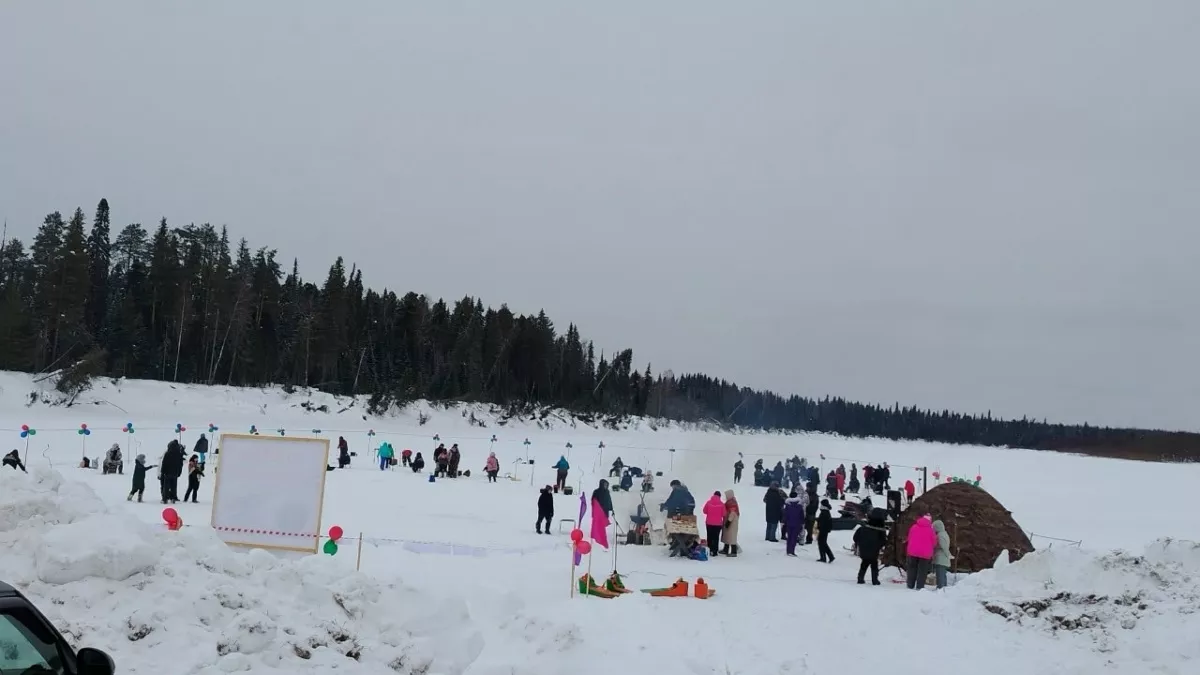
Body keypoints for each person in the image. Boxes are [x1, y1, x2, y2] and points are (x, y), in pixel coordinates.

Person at [852, 508, 888, 585]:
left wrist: (860, 543)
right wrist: (879, 546)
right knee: (874, 564)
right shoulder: (881, 529)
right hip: (874, 550)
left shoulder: (864, 527)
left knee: (864, 562)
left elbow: (855, 537)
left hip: (863, 549)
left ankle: (860, 578)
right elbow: (883, 541)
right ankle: (874, 580)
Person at [905, 514, 937, 589]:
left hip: (912, 551)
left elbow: (909, 537)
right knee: (922, 570)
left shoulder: (914, 527)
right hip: (925, 554)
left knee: (912, 568)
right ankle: (919, 587)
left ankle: (910, 585)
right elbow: (934, 542)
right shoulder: (931, 530)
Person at [702, 491, 726, 557]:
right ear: (719, 496)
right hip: (718, 524)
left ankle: (709, 549)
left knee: (709, 536)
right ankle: (715, 551)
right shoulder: (722, 504)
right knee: (716, 537)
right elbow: (724, 514)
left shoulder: (708, 502)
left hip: (709, 523)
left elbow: (704, 511)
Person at [783, 491, 805, 556]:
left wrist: (783, 522)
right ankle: (792, 551)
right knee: (794, 538)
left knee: (789, 537)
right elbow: (802, 515)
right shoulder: (799, 505)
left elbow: (785, 515)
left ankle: (788, 550)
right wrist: (802, 523)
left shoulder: (787, 505)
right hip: (797, 524)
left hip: (789, 523)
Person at [932, 519, 952, 589]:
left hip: (941, 558)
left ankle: (941, 588)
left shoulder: (940, 535)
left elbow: (944, 547)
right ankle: (944, 588)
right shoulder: (944, 534)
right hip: (943, 558)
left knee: (940, 574)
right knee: (943, 574)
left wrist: (948, 555)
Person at [816, 499, 836, 563]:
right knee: (823, 543)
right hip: (825, 530)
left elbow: (823, 522)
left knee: (821, 543)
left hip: (823, 530)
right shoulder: (826, 511)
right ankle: (830, 556)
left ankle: (824, 557)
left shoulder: (824, 512)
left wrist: (819, 526)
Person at [721, 489, 740, 556]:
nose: (726, 496)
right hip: (729, 522)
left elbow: (732, 513)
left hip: (732, 522)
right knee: (727, 536)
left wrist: (729, 521)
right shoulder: (729, 502)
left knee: (732, 537)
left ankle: (733, 552)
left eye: (726, 495)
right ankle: (725, 549)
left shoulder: (732, 503)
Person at [804, 480, 819, 544]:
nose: (807, 488)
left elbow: (814, 505)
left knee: (810, 527)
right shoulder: (805, 493)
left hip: (811, 513)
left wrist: (808, 507)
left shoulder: (814, 495)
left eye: (808, 487)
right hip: (805, 512)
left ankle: (809, 539)